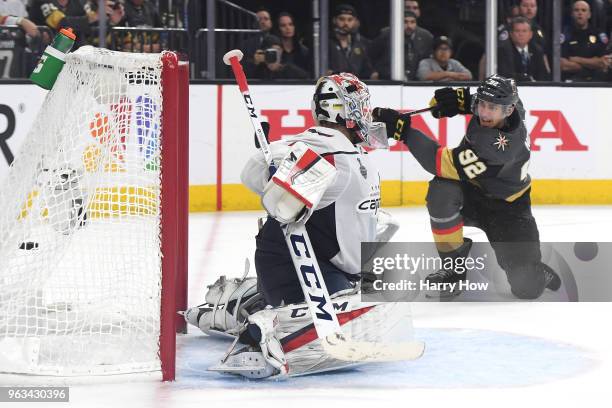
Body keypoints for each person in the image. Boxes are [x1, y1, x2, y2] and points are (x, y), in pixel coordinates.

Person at [182, 73, 410, 378]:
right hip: (299, 266)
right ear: (346, 111)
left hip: (327, 265)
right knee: (353, 318)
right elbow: (260, 181)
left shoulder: (342, 149)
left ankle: (248, 301)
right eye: (362, 108)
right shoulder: (325, 151)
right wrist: (274, 163)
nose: (366, 115)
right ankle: (259, 322)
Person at [373, 75, 561, 300]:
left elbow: (438, 162)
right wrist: (462, 101)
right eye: (482, 104)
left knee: (527, 289)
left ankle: (534, 270)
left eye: (492, 108)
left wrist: (403, 131)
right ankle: (453, 270)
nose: (483, 113)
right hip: (473, 193)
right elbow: (486, 101)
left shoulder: (499, 148)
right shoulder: (512, 108)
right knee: (441, 191)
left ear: (508, 111)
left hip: (509, 211)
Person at [29, 0, 124, 47]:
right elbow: (61, 23)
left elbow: (92, 30)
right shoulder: (42, 1)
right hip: (44, 54)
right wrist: (95, 16)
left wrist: (111, 21)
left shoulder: (81, 2)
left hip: (75, 55)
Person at [369, 10, 433, 80]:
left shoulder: (425, 37)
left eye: (412, 22)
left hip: (415, 81)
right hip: (388, 78)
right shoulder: (386, 35)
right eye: (405, 22)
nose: (409, 26)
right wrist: (374, 71)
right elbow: (371, 55)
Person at [561, 0, 610, 81]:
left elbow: (603, 63)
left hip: (595, 83)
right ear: (572, 14)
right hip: (571, 82)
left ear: (589, 15)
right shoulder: (565, 34)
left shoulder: (598, 35)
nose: (580, 13)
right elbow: (562, 65)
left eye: (583, 10)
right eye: (576, 10)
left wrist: (576, 59)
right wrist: (591, 66)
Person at [328, 4, 377, 79]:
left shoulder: (361, 44)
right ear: (334, 20)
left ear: (355, 22)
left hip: (355, 87)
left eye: (350, 20)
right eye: (341, 19)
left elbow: (368, 71)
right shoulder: (325, 43)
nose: (346, 23)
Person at [498, 16, 549, 81]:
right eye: (517, 31)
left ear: (530, 34)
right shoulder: (503, 50)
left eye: (524, 31)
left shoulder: (537, 50)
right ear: (511, 34)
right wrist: (527, 79)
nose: (521, 34)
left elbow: (543, 75)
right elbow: (505, 75)